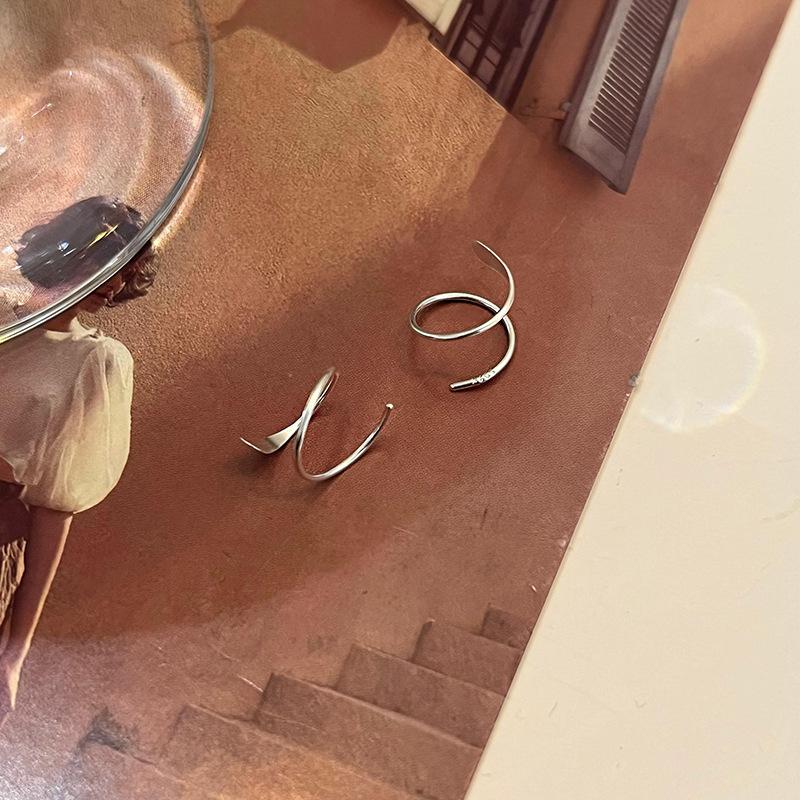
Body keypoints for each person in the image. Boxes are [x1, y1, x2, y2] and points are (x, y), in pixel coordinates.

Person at [0, 196, 155, 727]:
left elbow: (55, 511)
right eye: (106, 258)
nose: (115, 279)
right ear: (66, 250)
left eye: (127, 265)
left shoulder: (96, 364)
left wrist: (15, 654)